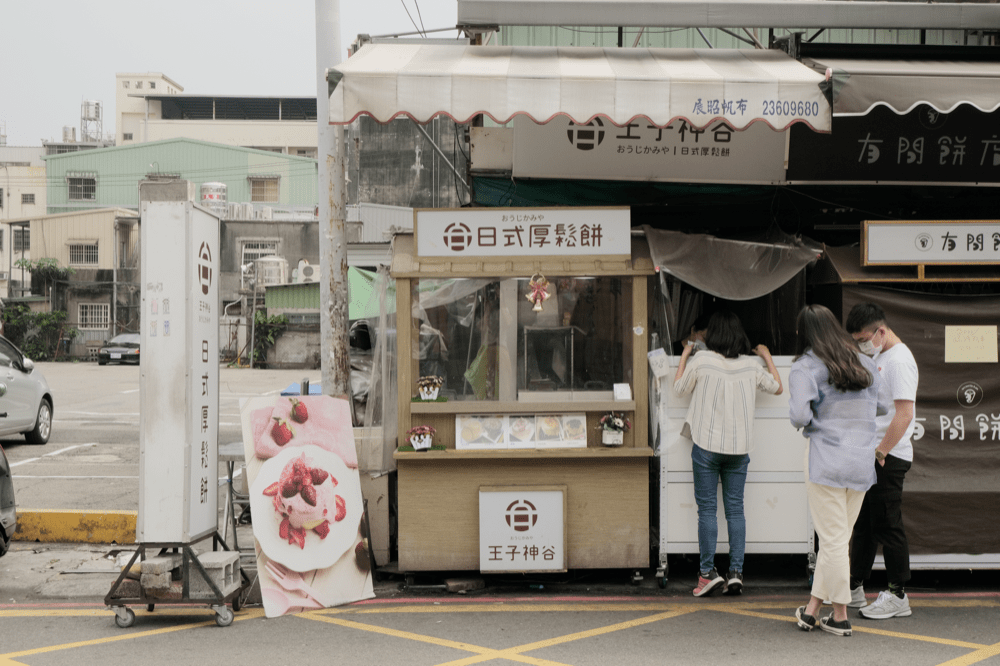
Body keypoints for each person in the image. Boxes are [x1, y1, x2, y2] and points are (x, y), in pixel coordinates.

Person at [788, 305, 888, 637]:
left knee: (831, 541)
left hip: (826, 459)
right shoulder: (866, 362)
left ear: (804, 334)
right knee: (838, 539)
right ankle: (814, 609)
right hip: (861, 462)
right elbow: (883, 405)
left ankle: (842, 615)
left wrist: (819, 422)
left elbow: (800, 416)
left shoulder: (806, 367)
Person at [673, 310, 782, 596]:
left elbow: (679, 388)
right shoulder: (749, 366)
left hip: (707, 447)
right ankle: (736, 572)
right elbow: (777, 388)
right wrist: (767, 355)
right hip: (739, 449)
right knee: (735, 510)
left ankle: (707, 573)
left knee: (707, 510)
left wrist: (685, 353)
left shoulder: (703, 360)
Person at [845, 302, 919, 620]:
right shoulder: (880, 355)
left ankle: (897, 594)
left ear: (881, 331)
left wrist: (881, 452)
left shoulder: (899, 360)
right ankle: (853, 587)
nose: (862, 344)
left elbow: (904, 414)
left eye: (864, 338)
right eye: (857, 340)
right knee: (864, 525)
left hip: (889, 455)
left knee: (888, 524)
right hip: (874, 452)